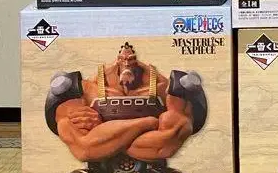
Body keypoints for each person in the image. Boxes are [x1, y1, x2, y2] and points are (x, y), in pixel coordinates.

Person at [46, 42, 206, 173]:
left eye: (131, 60)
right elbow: (85, 149)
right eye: (123, 60)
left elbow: (163, 146)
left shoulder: (169, 90)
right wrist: (149, 123)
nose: (126, 64)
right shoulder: (81, 90)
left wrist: (104, 134)